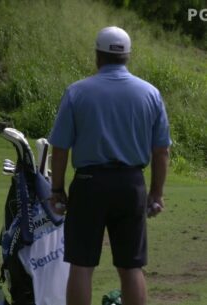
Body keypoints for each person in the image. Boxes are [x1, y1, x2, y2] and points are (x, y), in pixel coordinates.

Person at [49, 26, 171, 305]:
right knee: (131, 265)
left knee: (82, 264)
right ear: (127, 56)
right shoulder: (150, 93)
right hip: (131, 184)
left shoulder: (77, 92)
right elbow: (161, 150)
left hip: (89, 183)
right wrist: (156, 193)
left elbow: (60, 148)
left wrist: (57, 188)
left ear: (97, 56)